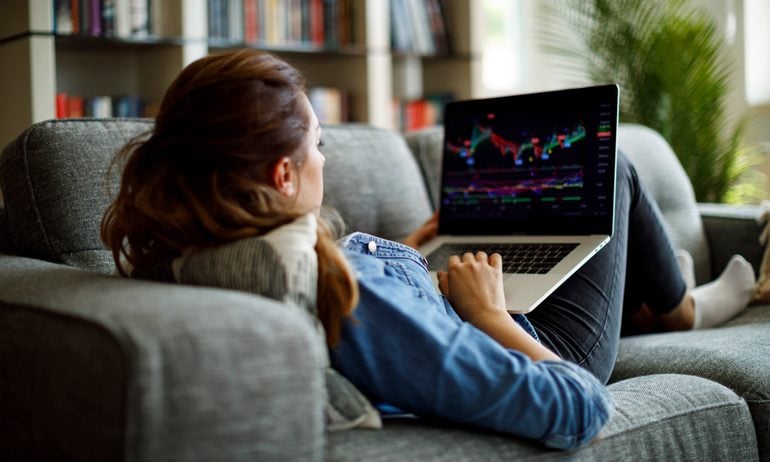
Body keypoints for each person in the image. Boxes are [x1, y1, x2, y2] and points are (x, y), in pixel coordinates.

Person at [100, 50, 755, 450]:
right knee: (612, 169)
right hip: (535, 337)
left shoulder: (194, 252)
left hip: (453, 292)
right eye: (318, 146)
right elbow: (577, 404)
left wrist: (408, 254)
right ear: (281, 175)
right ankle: (677, 312)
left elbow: (362, 291)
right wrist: (490, 315)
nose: (323, 159)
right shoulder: (355, 302)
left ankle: (649, 303)